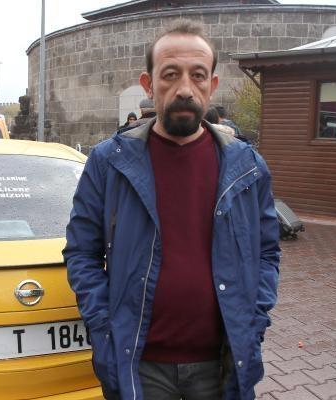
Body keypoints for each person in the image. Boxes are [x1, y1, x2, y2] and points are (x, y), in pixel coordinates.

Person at [64, 20, 280, 400]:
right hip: (138, 365)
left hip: (222, 364)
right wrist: (104, 328)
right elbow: (82, 252)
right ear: (148, 85)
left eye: (198, 75)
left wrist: (254, 321)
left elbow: (267, 252)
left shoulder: (247, 167)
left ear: (212, 85)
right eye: (170, 74)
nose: (184, 88)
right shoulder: (109, 163)